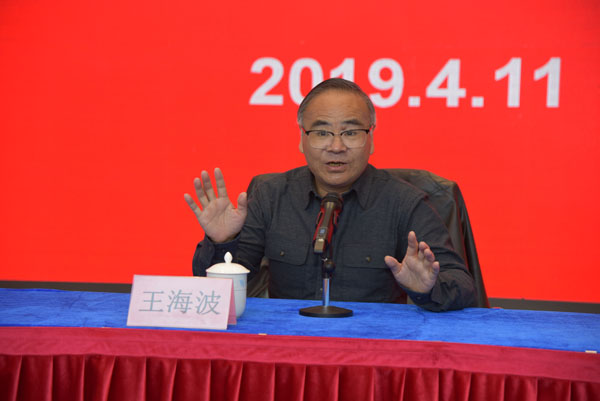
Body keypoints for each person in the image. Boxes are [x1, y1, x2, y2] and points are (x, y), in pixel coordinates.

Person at [184, 78, 476, 311]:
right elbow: (218, 291)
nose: (336, 147)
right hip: (287, 346)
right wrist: (222, 242)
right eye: (322, 133)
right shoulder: (270, 196)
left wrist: (427, 289)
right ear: (302, 139)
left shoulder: (405, 203)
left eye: (351, 133)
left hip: (371, 348)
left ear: (371, 138)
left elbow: (462, 284)